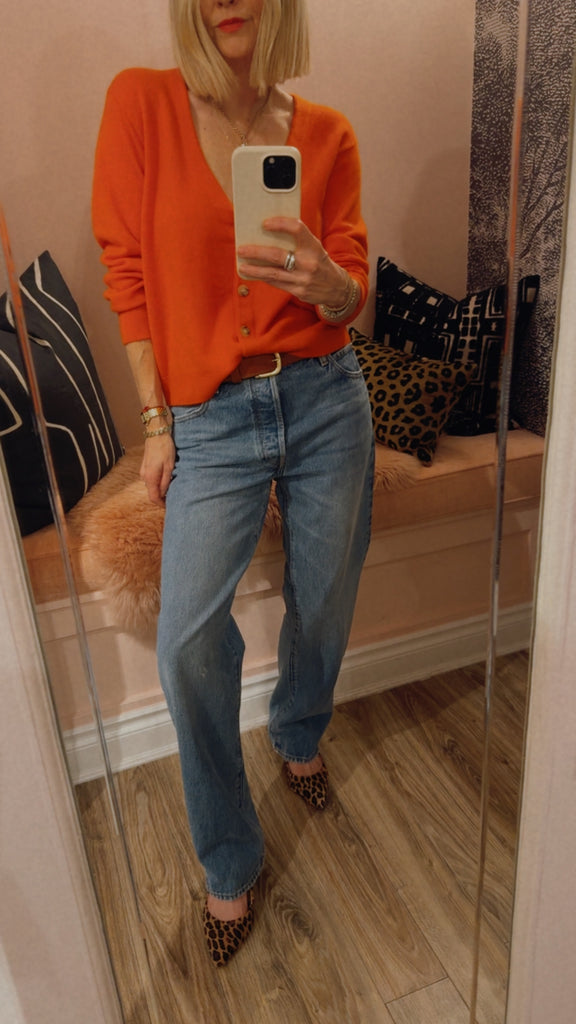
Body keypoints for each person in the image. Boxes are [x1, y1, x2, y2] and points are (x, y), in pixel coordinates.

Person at [92, 0, 374, 967]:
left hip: (327, 396)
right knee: (183, 642)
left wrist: (328, 284)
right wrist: (156, 422)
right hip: (209, 417)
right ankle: (230, 853)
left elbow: (352, 289)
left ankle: (297, 728)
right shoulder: (141, 105)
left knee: (325, 596)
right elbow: (127, 273)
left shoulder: (327, 135)